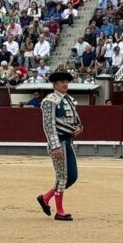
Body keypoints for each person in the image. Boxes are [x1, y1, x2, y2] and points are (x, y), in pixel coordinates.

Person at [36, 71, 83, 221]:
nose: (65, 84)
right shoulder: (49, 100)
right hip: (59, 143)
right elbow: (48, 125)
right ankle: (60, 211)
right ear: (54, 84)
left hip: (67, 142)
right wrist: (55, 146)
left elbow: (76, 120)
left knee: (72, 177)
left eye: (66, 82)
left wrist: (80, 127)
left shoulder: (68, 99)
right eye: (62, 82)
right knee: (62, 177)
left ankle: (45, 198)